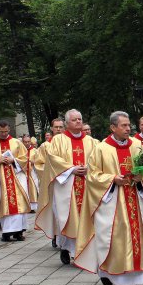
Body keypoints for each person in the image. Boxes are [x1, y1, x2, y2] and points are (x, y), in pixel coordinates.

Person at [74, 111, 143, 285]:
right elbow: (92, 175)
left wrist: (142, 176)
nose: (128, 128)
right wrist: (112, 179)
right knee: (112, 237)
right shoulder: (102, 148)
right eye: (123, 125)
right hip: (113, 202)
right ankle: (107, 272)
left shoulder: (138, 146)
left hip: (135, 199)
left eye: (128, 125)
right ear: (113, 127)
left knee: (137, 237)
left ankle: (131, 280)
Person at [35, 110, 97, 264]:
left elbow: (99, 159)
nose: (78, 122)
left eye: (80, 119)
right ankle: (66, 247)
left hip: (87, 185)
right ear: (67, 123)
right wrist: (72, 169)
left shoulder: (92, 141)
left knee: (88, 217)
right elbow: (52, 160)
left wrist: (89, 168)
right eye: (74, 120)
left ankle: (84, 251)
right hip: (66, 186)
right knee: (67, 217)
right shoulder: (58, 140)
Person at [0, 121, 31, 241]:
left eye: (6, 131)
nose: (4, 133)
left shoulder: (16, 143)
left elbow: (24, 158)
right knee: (3, 203)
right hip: (0, 180)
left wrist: (13, 160)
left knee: (18, 204)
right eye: (1, 131)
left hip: (16, 179)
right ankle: (6, 232)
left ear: (9, 130)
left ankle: (19, 232)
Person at [34, 119, 64, 248]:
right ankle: (55, 235)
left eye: (61, 127)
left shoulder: (68, 144)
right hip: (52, 183)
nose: (58, 129)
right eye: (56, 127)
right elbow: (38, 163)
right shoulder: (45, 146)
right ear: (51, 129)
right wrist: (50, 172)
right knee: (54, 211)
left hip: (67, 182)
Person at [21, 134, 40, 212]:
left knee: (32, 189)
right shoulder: (20, 151)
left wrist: (34, 162)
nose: (27, 143)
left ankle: (32, 207)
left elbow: (40, 162)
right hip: (22, 173)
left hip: (32, 173)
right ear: (22, 142)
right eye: (25, 142)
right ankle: (24, 205)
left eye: (28, 142)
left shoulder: (35, 151)